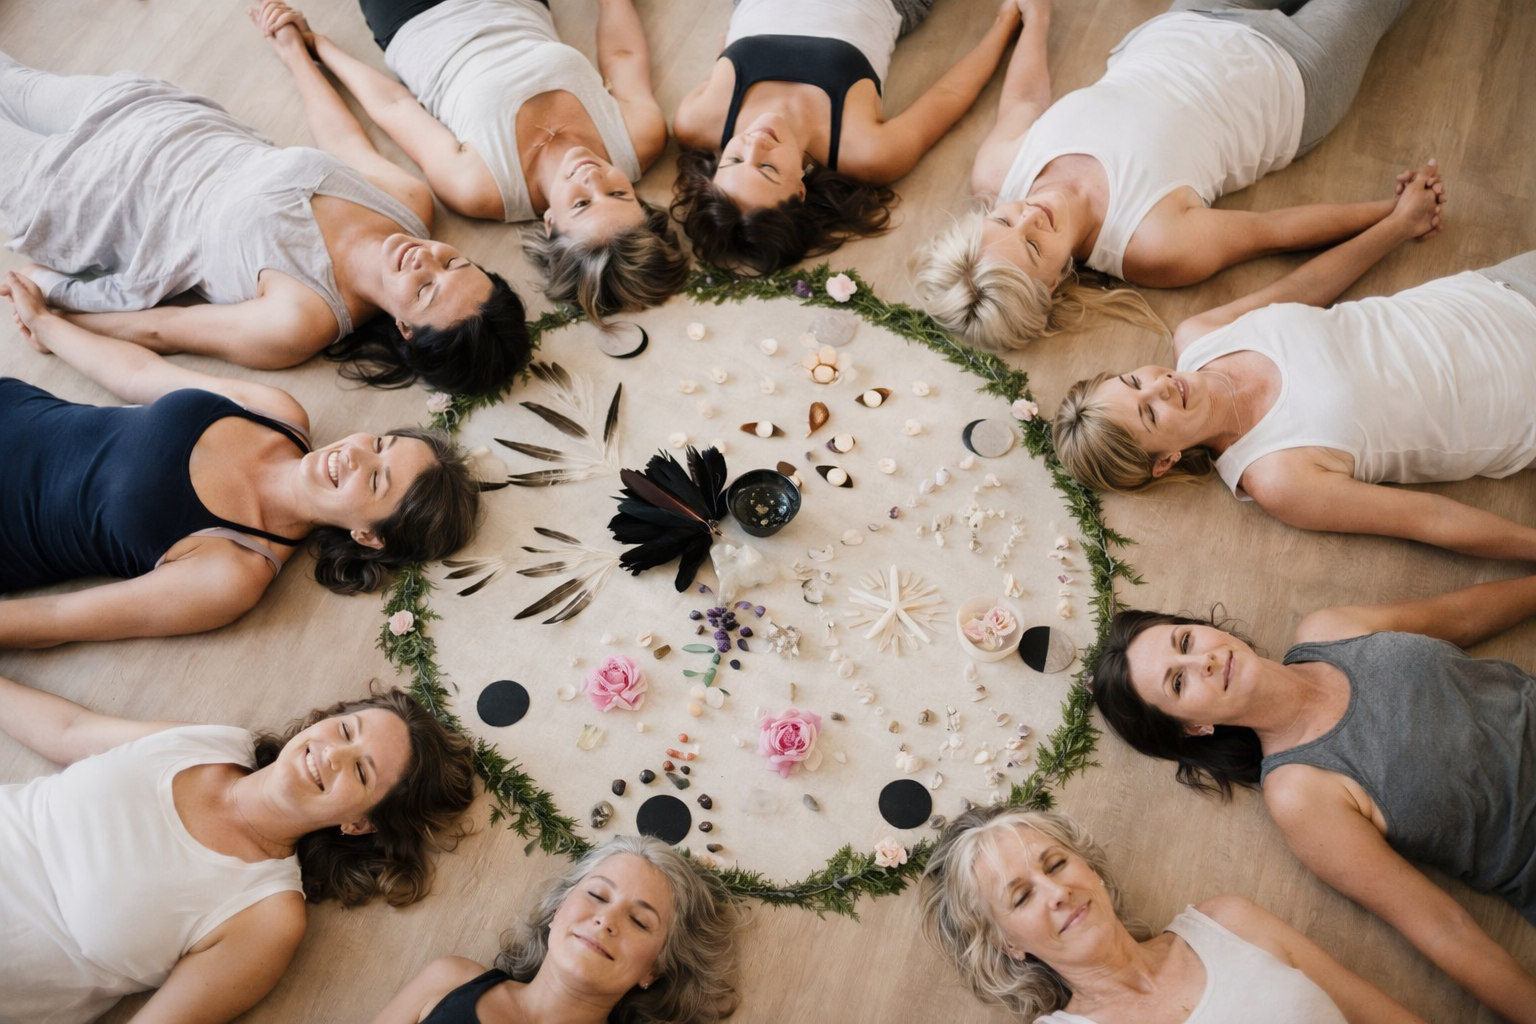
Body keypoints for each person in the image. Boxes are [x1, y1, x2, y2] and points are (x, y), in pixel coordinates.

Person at [1090, 573, 1536, 1022]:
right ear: (1193, 727)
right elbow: (1444, 929)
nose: (1202, 661)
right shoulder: (1299, 793)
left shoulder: (1328, 630)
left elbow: (1460, 616)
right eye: (1177, 683)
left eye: (1185, 641)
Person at [1047, 170, 1536, 564]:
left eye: (1135, 381)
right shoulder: (1277, 477)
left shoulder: (1199, 336)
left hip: (1497, 291)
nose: (1161, 387)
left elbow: (1306, 288)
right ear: (1165, 461)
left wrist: (1399, 224)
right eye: (1150, 414)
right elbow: (1428, 519)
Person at [0, 47, 526, 396]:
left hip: (76, 197)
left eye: (426, 291)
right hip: (144, 112)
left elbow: (164, 329)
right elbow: (343, 140)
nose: (425, 258)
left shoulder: (301, 320)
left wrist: (53, 326)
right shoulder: (408, 205)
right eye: (455, 263)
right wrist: (296, 52)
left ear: (406, 330)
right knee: (11, 77)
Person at [912, 0, 1429, 350]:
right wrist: (1393, 211)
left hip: (1193, 16)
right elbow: (1274, 230)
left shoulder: (999, 172)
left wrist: (1038, 17)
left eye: (1003, 221)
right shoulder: (1154, 247)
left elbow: (1025, 97)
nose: (1030, 216)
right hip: (1296, 75)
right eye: (1032, 247)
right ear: (1051, 284)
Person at [0, 270, 480, 647]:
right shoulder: (280, 415)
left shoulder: (233, 574)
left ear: (368, 536)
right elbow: (138, 373)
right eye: (377, 444)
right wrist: (46, 325)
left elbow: (59, 617)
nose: (353, 454)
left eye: (376, 481)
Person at [0, 679, 478, 1024]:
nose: (332, 753)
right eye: (346, 730)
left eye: (360, 771)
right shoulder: (214, 743)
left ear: (359, 824)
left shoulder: (267, 918)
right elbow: (68, 730)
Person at [251, 0, 685, 322]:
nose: (592, 177)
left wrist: (318, 46)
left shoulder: (481, 188)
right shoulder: (639, 138)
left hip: (415, 15)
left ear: (551, 223)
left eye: (582, 203)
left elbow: (395, 105)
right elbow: (623, 55)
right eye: (618, 193)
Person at [919, 806, 1423, 1023]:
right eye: (1022, 897)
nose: (1057, 892)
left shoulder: (1229, 923)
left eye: (1056, 864)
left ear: (1090, 869)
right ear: (1007, 943)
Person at [671, 0, 1024, 276]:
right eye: (767, 168)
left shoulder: (696, 122)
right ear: (799, 190)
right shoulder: (866, 152)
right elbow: (950, 94)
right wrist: (1007, 21)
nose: (754, 144)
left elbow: (725, 45)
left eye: (733, 160)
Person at [371, 835, 742, 1024]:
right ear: (557, 909)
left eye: (639, 921)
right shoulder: (449, 980)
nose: (606, 921)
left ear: (655, 969)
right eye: (597, 895)